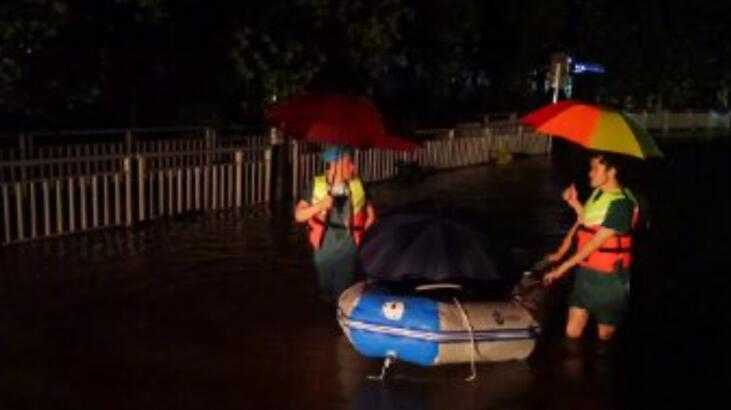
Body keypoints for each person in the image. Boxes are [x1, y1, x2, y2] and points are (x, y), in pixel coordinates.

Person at [543, 152, 639, 341]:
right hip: (585, 275)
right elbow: (587, 221)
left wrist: (561, 269)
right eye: (590, 168)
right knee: (571, 332)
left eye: (595, 168)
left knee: (605, 337)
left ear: (612, 171)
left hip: (609, 281)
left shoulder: (622, 205)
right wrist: (573, 202)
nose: (590, 173)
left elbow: (595, 242)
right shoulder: (599, 193)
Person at [294, 146, 376, 303]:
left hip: (348, 248)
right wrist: (321, 205)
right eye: (348, 162)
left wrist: (357, 229)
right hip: (324, 247)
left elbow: (371, 217)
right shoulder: (316, 185)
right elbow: (299, 216)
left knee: (342, 292)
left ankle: (337, 319)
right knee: (325, 289)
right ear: (335, 165)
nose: (353, 166)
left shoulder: (358, 185)